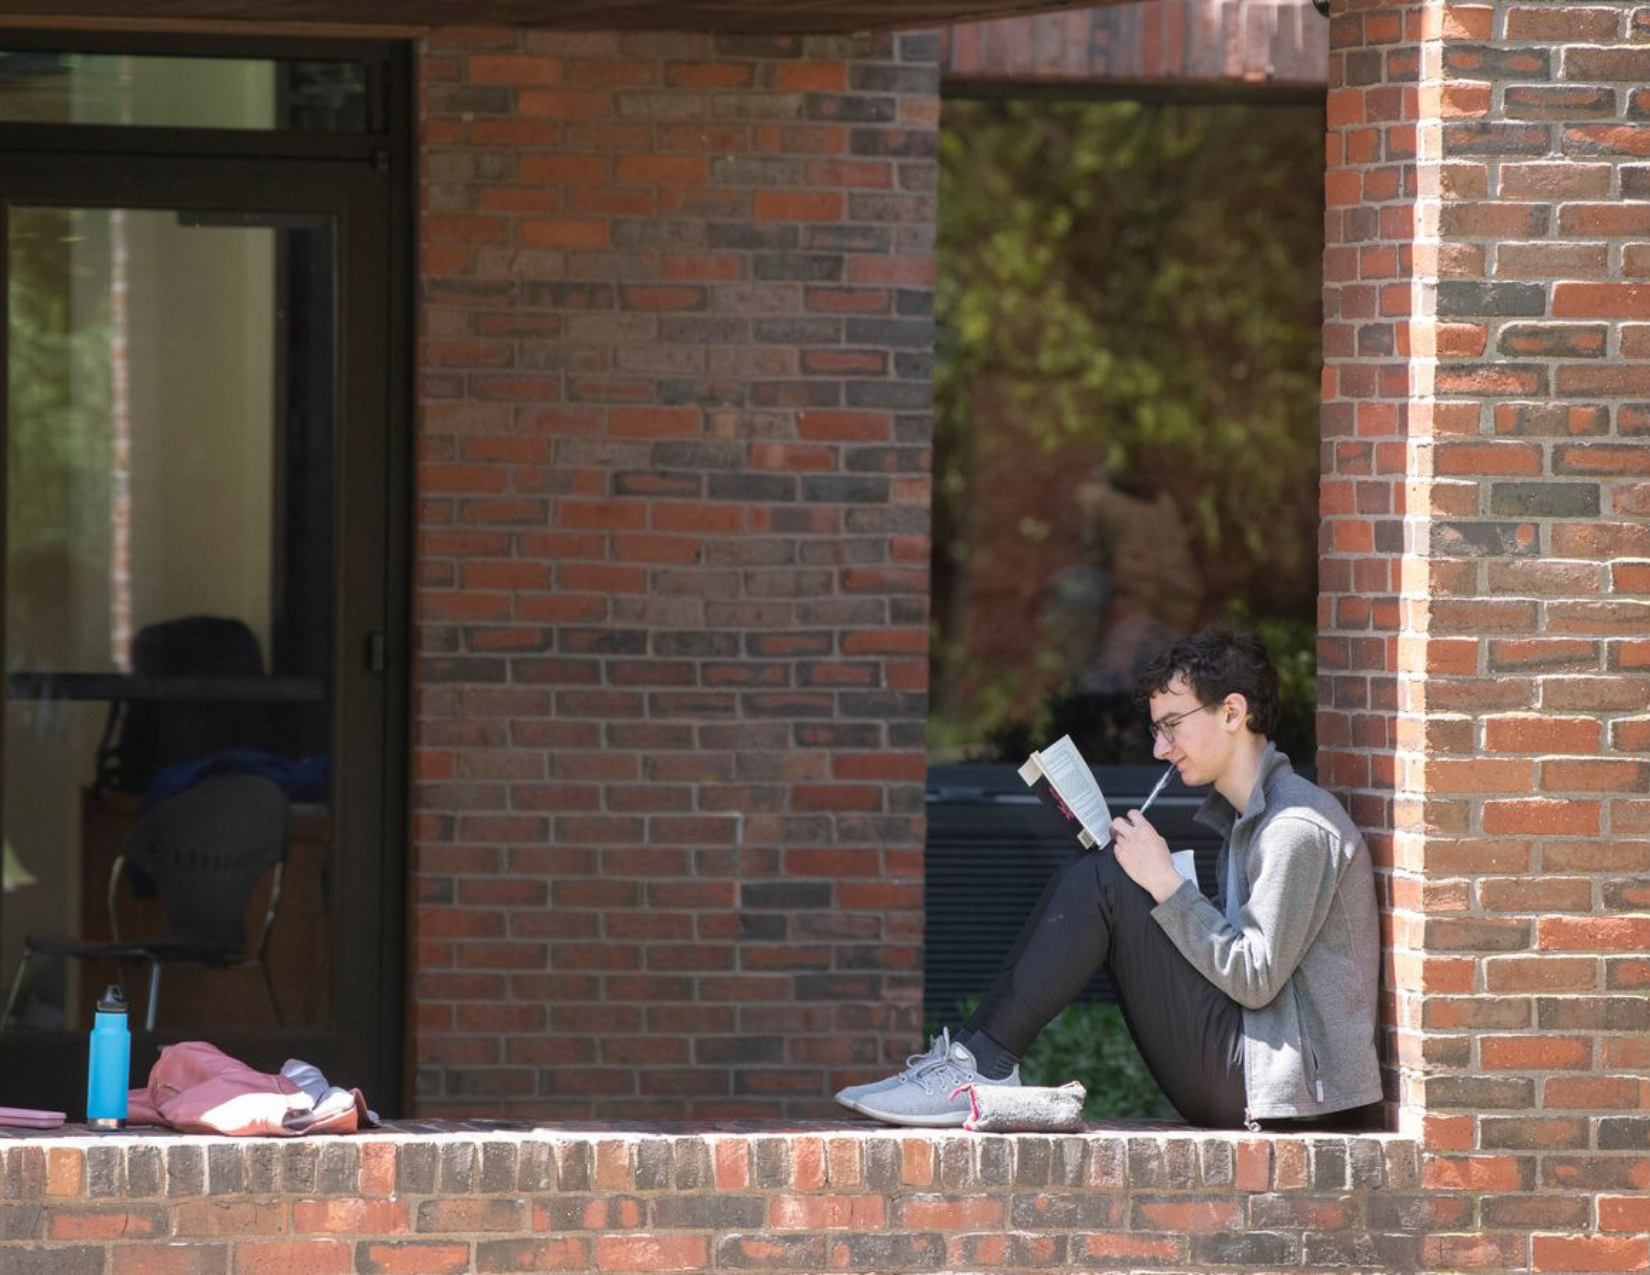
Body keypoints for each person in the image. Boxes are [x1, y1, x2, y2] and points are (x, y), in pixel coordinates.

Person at [837, 622, 1382, 1130]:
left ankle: (980, 1064)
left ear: (1232, 713)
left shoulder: (1297, 826)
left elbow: (1256, 978)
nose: (1159, 748)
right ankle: (974, 1058)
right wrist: (1164, 888)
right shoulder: (1251, 820)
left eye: (1172, 726)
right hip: (1258, 1074)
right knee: (1107, 874)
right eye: (1156, 729)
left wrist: (1166, 885)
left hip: (1293, 1097)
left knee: (1109, 881)